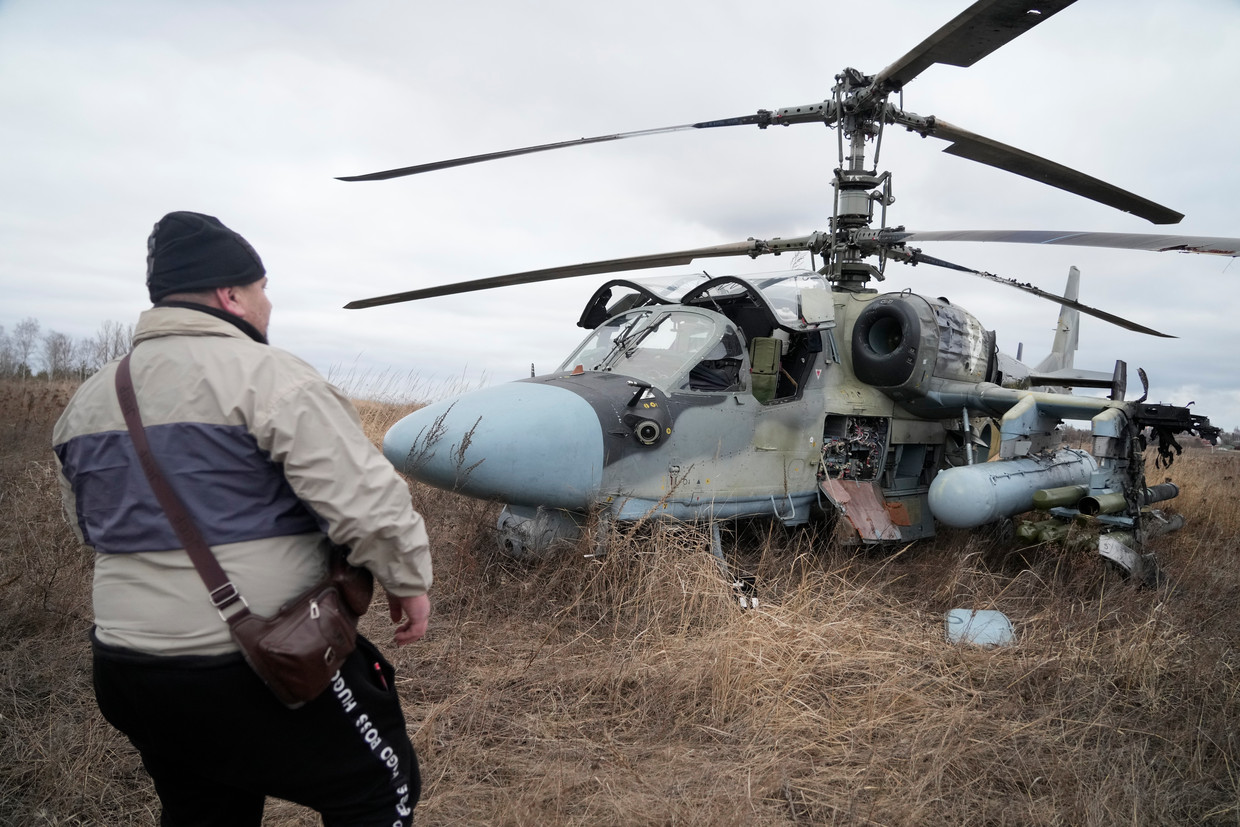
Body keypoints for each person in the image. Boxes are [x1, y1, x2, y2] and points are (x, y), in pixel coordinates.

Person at [52, 211, 433, 826]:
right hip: (248, 662)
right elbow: (368, 503)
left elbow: (90, 528)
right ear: (230, 294)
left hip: (127, 667)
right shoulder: (270, 376)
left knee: (204, 807)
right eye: (261, 288)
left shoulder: (91, 397)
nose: (267, 302)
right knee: (377, 788)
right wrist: (408, 581)